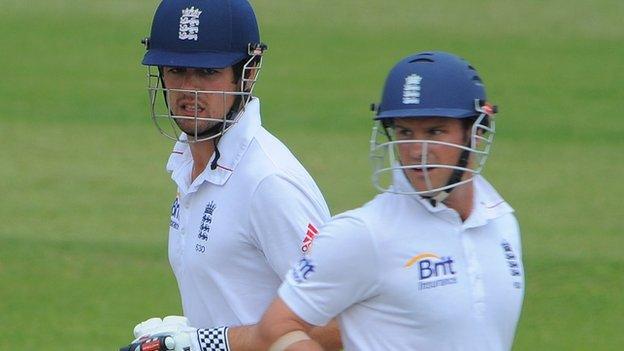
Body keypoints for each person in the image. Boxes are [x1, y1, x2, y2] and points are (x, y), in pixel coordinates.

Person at [242, 51, 525, 350]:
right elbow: (276, 326)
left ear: (476, 132)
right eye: (405, 132)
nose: (417, 150)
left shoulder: (501, 221)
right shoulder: (363, 233)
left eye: (435, 131)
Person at [124, 0, 341, 350]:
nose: (189, 88)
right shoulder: (188, 164)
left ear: (249, 71)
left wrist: (209, 341)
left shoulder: (269, 183)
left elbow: (338, 326)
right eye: (176, 69)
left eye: (208, 72)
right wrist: (185, 334)